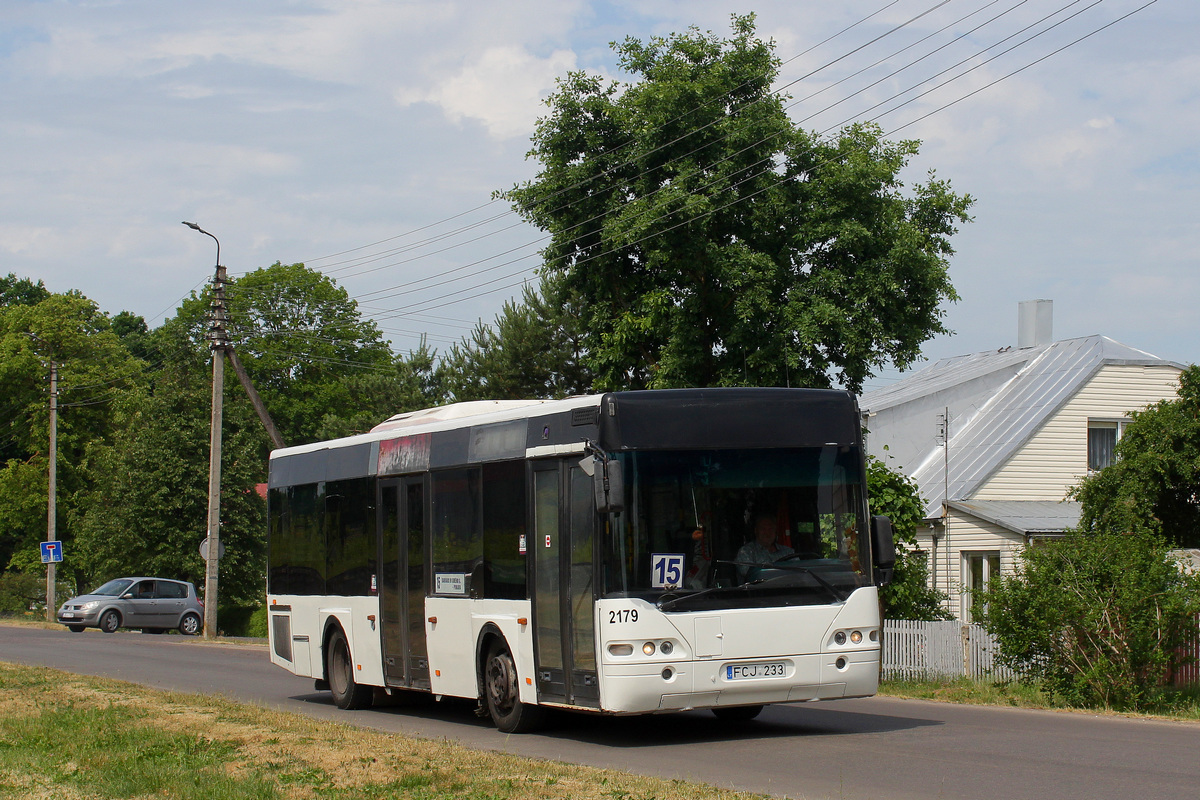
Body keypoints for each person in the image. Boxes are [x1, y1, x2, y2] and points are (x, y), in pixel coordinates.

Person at [735, 514, 794, 580]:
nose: (767, 533)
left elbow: (798, 572)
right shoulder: (746, 552)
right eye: (763, 529)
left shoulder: (788, 552)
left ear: (775, 531)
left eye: (770, 529)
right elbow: (750, 575)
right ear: (756, 531)